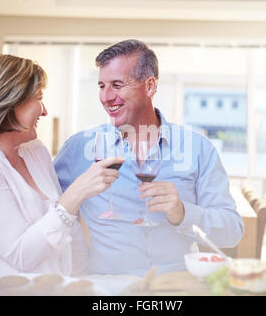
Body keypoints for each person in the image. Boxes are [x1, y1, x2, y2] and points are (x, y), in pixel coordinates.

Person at [53, 39, 243, 276]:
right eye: (102, 86)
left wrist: (183, 214)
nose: (106, 97)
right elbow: (49, 214)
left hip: (177, 286)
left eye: (117, 84)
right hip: (107, 288)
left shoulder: (197, 148)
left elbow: (232, 232)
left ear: (150, 86)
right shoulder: (79, 147)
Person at [0, 54, 123, 278]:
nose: (44, 110)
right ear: (9, 102)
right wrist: (75, 193)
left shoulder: (35, 151)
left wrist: (82, 283)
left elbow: (70, 234)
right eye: (38, 98)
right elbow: (22, 255)